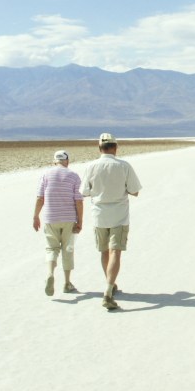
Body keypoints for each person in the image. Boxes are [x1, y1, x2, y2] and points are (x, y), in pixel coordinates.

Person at [81, 133, 142, 310]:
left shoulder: (90, 167)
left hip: (99, 215)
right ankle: (108, 290)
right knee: (115, 251)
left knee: (104, 251)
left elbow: (84, 192)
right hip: (119, 215)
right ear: (115, 147)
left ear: (99, 148)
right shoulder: (124, 166)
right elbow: (135, 191)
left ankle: (110, 284)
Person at [33, 150, 84, 296]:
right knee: (68, 250)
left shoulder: (46, 175)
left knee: (51, 248)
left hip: (51, 218)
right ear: (67, 161)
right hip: (69, 218)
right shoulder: (74, 176)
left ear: (54, 161)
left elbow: (40, 198)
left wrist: (36, 216)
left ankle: (50, 273)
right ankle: (67, 283)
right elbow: (78, 201)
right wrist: (80, 221)